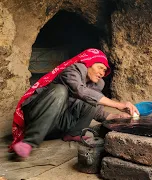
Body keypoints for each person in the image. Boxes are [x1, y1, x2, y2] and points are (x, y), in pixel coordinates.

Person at [10, 48, 139, 158]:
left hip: (54, 126)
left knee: (91, 99)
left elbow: (95, 108)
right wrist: (119, 105)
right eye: (100, 68)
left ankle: (73, 134)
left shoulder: (97, 83)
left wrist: (116, 117)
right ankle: (29, 142)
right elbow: (80, 91)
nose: (102, 73)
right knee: (60, 91)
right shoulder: (72, 70)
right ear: (88, 63)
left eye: (105, 71)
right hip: (36, 117)